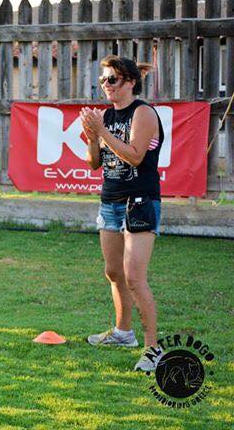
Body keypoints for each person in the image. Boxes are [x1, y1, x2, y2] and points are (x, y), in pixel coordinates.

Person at [81, 55, 163, 372]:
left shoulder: (143, 113)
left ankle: (153, 349)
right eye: (103, 80)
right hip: (110, 202)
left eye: (112, 79)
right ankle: (123, 333)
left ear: (130, 82)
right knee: (113, 272)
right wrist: (92, 138)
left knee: (134, 278)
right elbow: (94, 163)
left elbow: (135, 157)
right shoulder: (106, 116)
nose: (106, 85)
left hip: (140, 201)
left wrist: (102, 131)